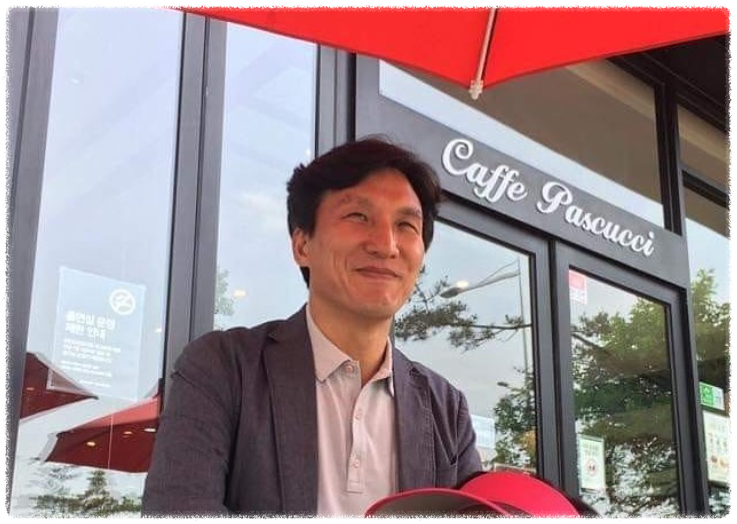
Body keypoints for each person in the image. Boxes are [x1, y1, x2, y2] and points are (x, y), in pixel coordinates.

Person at [141, 137, 482, 516]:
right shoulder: (224, 368)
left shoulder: (445, 409)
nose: (386, 245)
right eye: (358, 217)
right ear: (302, 245)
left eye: (405, 225)